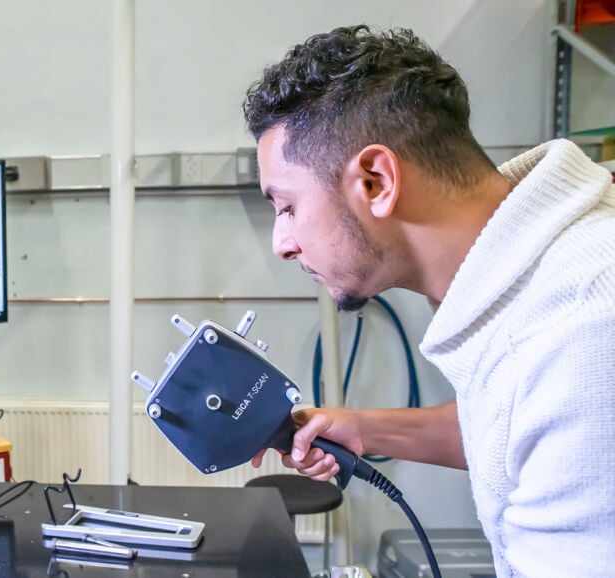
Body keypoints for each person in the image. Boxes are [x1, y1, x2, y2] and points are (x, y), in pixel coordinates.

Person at [242, 25, 615, 576]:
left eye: (288, 206)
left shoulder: (581, 330)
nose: (283, 244)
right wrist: (365, 428)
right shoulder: (541, 290)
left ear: (376, 181)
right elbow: (518, 430)